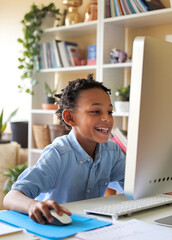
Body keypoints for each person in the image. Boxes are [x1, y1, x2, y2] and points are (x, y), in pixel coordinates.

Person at [3, 74, 125, 224]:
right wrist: (33, 205)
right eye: (95, 111)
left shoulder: (112, 151)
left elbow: (134, 187)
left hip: (91, 226)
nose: (107, 118)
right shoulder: (58, 154)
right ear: (70, 118)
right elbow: (11, 197)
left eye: (109, 112)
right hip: (55, 227)